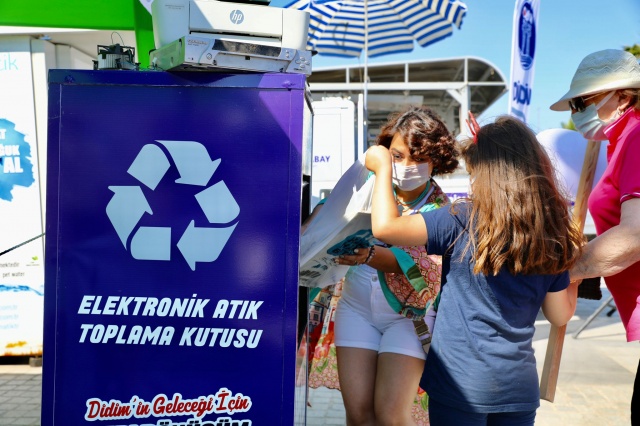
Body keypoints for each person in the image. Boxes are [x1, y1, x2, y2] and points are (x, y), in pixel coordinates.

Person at [364, 114, 584, 425]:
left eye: (474, 171)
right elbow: (559, 315)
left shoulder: (460, 218)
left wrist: (383, 167)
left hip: (459, 385)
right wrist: (575, 273)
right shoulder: (552, 234)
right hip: (518, 389)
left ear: (486, 172)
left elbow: (386, 228)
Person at [311, 106, 459, 425]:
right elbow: (330, 209)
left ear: (437, 160)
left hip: (408, 318)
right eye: (397, 155)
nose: (405, 166)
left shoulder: (440, 209)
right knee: (359, 415)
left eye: (419, 158)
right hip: (355, 309)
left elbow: (421, 265)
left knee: (391, 416)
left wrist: (368, 255)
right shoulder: (372, 183)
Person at [550, 48, 640, 424]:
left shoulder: (637, 135)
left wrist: (561, 272)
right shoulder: (620, 140)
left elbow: (634, 235)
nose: (577, 112)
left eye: (581, 102)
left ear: (622, 96)